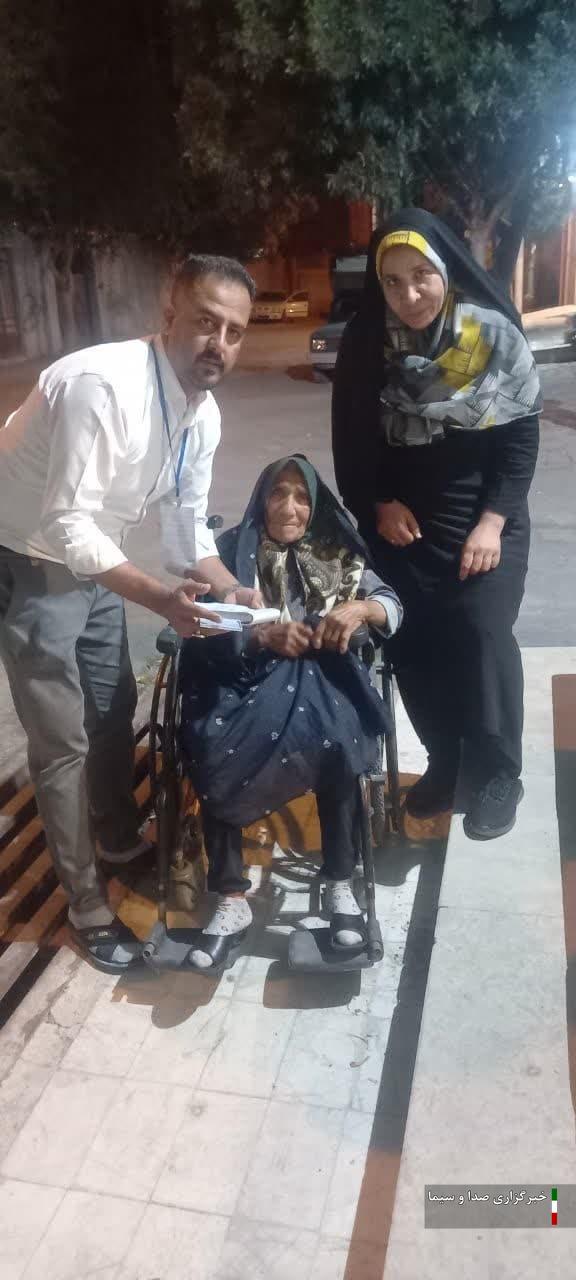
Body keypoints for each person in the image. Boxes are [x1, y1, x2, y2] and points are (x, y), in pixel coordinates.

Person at [0, 253, 262, 972]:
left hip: (95, 555)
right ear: (169, 316)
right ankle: (86, 906)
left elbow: (184, 528)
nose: (218, 344)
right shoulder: (102, 386)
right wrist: (159, 599)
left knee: (113, 706)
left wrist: (229, 589)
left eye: (235, 331)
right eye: (205, 322)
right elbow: (64, 524)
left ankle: (116, 839)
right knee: (62, 741)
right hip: (26, 556)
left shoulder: (201, 413)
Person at [332, 209, 541, 840]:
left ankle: (499, 772)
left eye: (421, 275)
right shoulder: (368, 341)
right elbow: (351, 440)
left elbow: (519, 442)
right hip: (402, 524)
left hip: (486, 515)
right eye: (392, 281)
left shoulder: (492, 334)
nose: (409, 293)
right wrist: (377, 504)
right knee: (409, 637)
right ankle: (447, 761)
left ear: (446, 270)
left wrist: (492, 523)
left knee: (480, 631)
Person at [179, 455, 402, 972]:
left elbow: (393, 604)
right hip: (246, 680)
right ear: (262, 499)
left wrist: (361, 608)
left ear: (316, 505)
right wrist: (258, 637)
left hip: (325, 677)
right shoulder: (230, 553)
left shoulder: (338, 550)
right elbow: (201, 626)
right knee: (213, 743)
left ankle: (340, 882)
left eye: (302, 497)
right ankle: (231, 899)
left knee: (337, 739)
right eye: (278, 493)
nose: (289, 507)